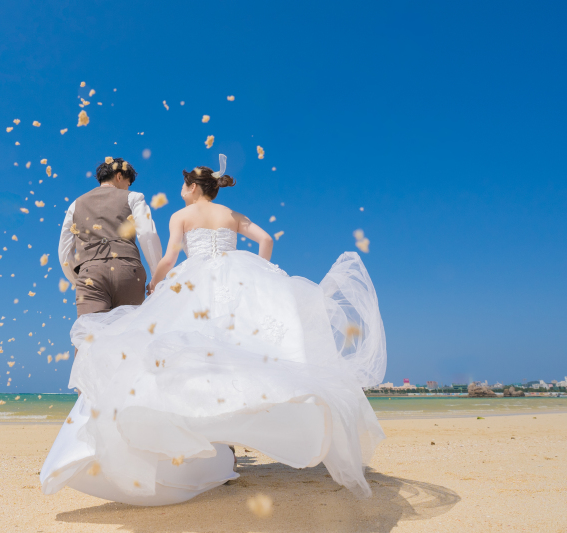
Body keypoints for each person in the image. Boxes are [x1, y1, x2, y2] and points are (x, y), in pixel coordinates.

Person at [41, 154, 387, 505]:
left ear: (192, 188)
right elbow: (266, 239)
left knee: (189, 361)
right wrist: (257, 272)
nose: (180, 190)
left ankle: (195, 441)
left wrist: (157, 282)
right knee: (239, 356)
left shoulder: (180, 215)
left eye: (183, 185)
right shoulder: (231, 216)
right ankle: (234, 439)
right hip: (236, 284)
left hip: (192, 286)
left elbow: (168, 256)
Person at [58, 158, 162, 317]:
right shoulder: (133, 197)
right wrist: (156, 276)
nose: (128, 187)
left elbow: (65, 251)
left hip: (90, 274)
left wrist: (78, 279)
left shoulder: (75, 205)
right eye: (128, 182)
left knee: (92, 336)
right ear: (119, 176)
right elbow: (147, 234)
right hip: (128, 271)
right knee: (128, 335)